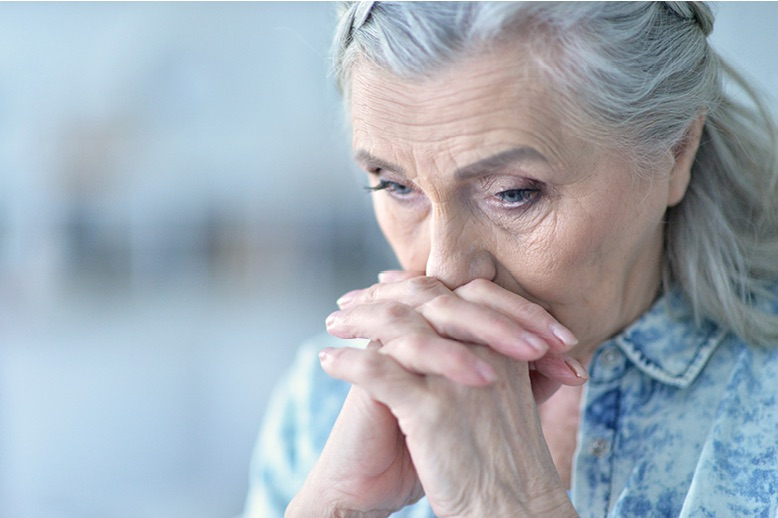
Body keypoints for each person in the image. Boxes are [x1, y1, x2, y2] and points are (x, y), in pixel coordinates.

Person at [243, 2, 778, 516]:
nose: (442, 271)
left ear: (676, 151)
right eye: (397, 186)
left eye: (513, 193)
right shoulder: (324, 401)